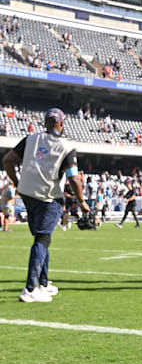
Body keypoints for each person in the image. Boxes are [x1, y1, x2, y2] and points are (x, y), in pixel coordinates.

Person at [2, 108, 90, 302]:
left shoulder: (30, 138)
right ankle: (30, 289)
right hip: (48, 196)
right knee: (42, 239)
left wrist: (17, 182)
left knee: (42, 238)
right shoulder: (66, 146)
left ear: (45, 122)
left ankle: (43, 283)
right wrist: (82, 201)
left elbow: (8, 160)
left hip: (27, 193)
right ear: (62, 123)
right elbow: (74, 178)